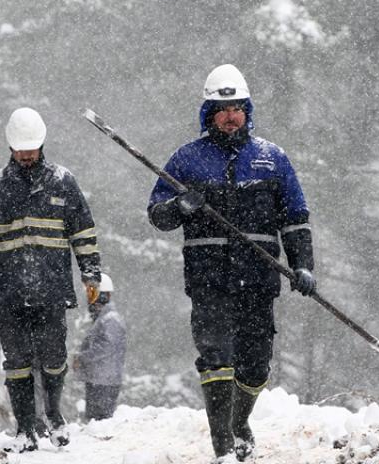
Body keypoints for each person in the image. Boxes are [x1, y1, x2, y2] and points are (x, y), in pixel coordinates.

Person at [147, 64, 316, 462]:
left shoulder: (272, 160)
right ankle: (223, 445)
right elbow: (157, 214)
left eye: (237, 108)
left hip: (258, 280)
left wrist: (303, 265)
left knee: (255, 367)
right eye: (222, 109)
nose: (230, 116)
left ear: (247, 111)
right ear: (209, 113)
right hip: (208, 280)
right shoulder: (186, 160)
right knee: (216, 357)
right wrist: (180, 205)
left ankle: (239, 422)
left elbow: (295, 219)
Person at [0, 107, 103, 452]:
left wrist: (91, 272)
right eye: (21, 149)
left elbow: (83, 231)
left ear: (42, 145)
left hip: (51, 291)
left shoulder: (63, 183)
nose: (26, 155)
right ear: (11, 147)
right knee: (18, 361)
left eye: (32, 148)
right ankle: (26, 428)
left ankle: (53, 414)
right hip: (10, 292)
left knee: (54, 356)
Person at [72, 272, 127, 421]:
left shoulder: (110, 320)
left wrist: (82, 357)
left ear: (102, 295)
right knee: (95, 420)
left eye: (92, 293)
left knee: (100, 421)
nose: (89, 299)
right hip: (98, 379)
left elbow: (106, 347)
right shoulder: (103, 318)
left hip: (104, 381)